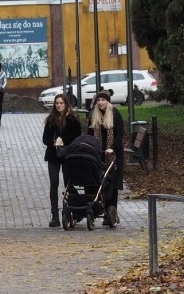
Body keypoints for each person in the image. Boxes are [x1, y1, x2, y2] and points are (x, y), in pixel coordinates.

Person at [42, 94, 82, 227]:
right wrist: (54, 142)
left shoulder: (72, 119)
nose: (58, 105)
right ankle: (55, 215)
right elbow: (45, 138)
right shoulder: (51, 120)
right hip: (53, 154)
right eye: (57, 103)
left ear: (66, 104)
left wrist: (64, 141)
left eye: (61, 103)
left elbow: (77, 137)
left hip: (67, 154)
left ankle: (74, 210)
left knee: (68, 183)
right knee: (54, 183)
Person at [86, 91, 125, 224]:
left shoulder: (114, 114)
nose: (100, 103)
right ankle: (101, 209)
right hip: (98, 153)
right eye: (98, 100)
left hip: (113, 154)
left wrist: (112, 148)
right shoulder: (94, 115)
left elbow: (120, 134)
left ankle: (112, 212)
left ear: (107, 101)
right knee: (99, 182)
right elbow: (89, 133)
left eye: (103, 100)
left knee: (112, 183)